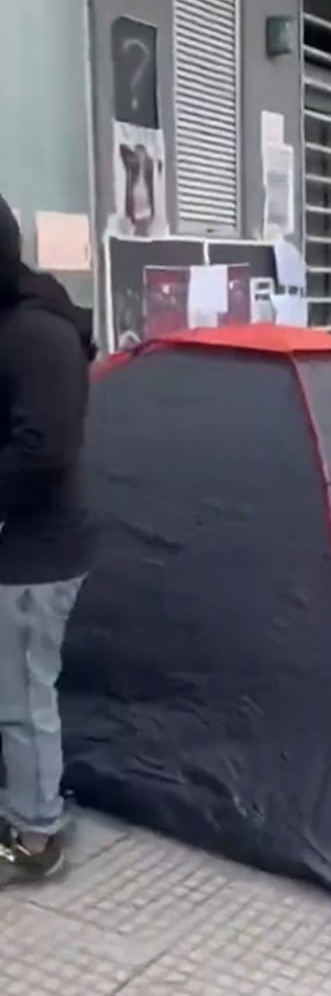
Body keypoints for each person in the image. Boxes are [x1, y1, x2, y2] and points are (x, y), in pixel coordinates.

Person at [0, 196, 94, 884]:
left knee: (23, 697)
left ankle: (37, 836)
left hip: (37, 555)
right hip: (19, 546)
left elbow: (43, 450)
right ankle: (27, 803)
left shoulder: (39, 333)